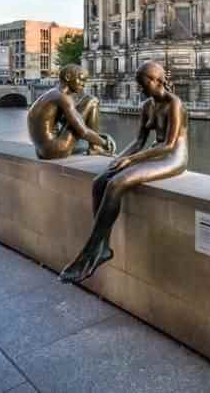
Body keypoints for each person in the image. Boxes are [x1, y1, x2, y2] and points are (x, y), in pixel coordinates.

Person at [60, 60, 188, 284]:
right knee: (100, 181)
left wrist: (130, 160)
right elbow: (139, 141)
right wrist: (118, 158)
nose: (139, 88)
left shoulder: (174, 103)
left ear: (156, 80)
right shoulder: (147, 106)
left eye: (142, 83)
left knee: (117, 183)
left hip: (174, 157)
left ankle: (90, 250)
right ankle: (103, 246)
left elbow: (168, 144)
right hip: (154, 154)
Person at [27, 64, 115, 160]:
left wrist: (97, 136)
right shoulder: (63, 97)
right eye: (81, 79)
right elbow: (83, 132)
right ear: (68, 77)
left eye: (84, 81)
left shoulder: (52, 93)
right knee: (92, 100)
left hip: (41, 151)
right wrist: (104, 142)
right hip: (55, 150)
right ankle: (95, 147)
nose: (83, 84)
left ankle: (95, 146)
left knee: (85, 104)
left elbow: (67, 122)